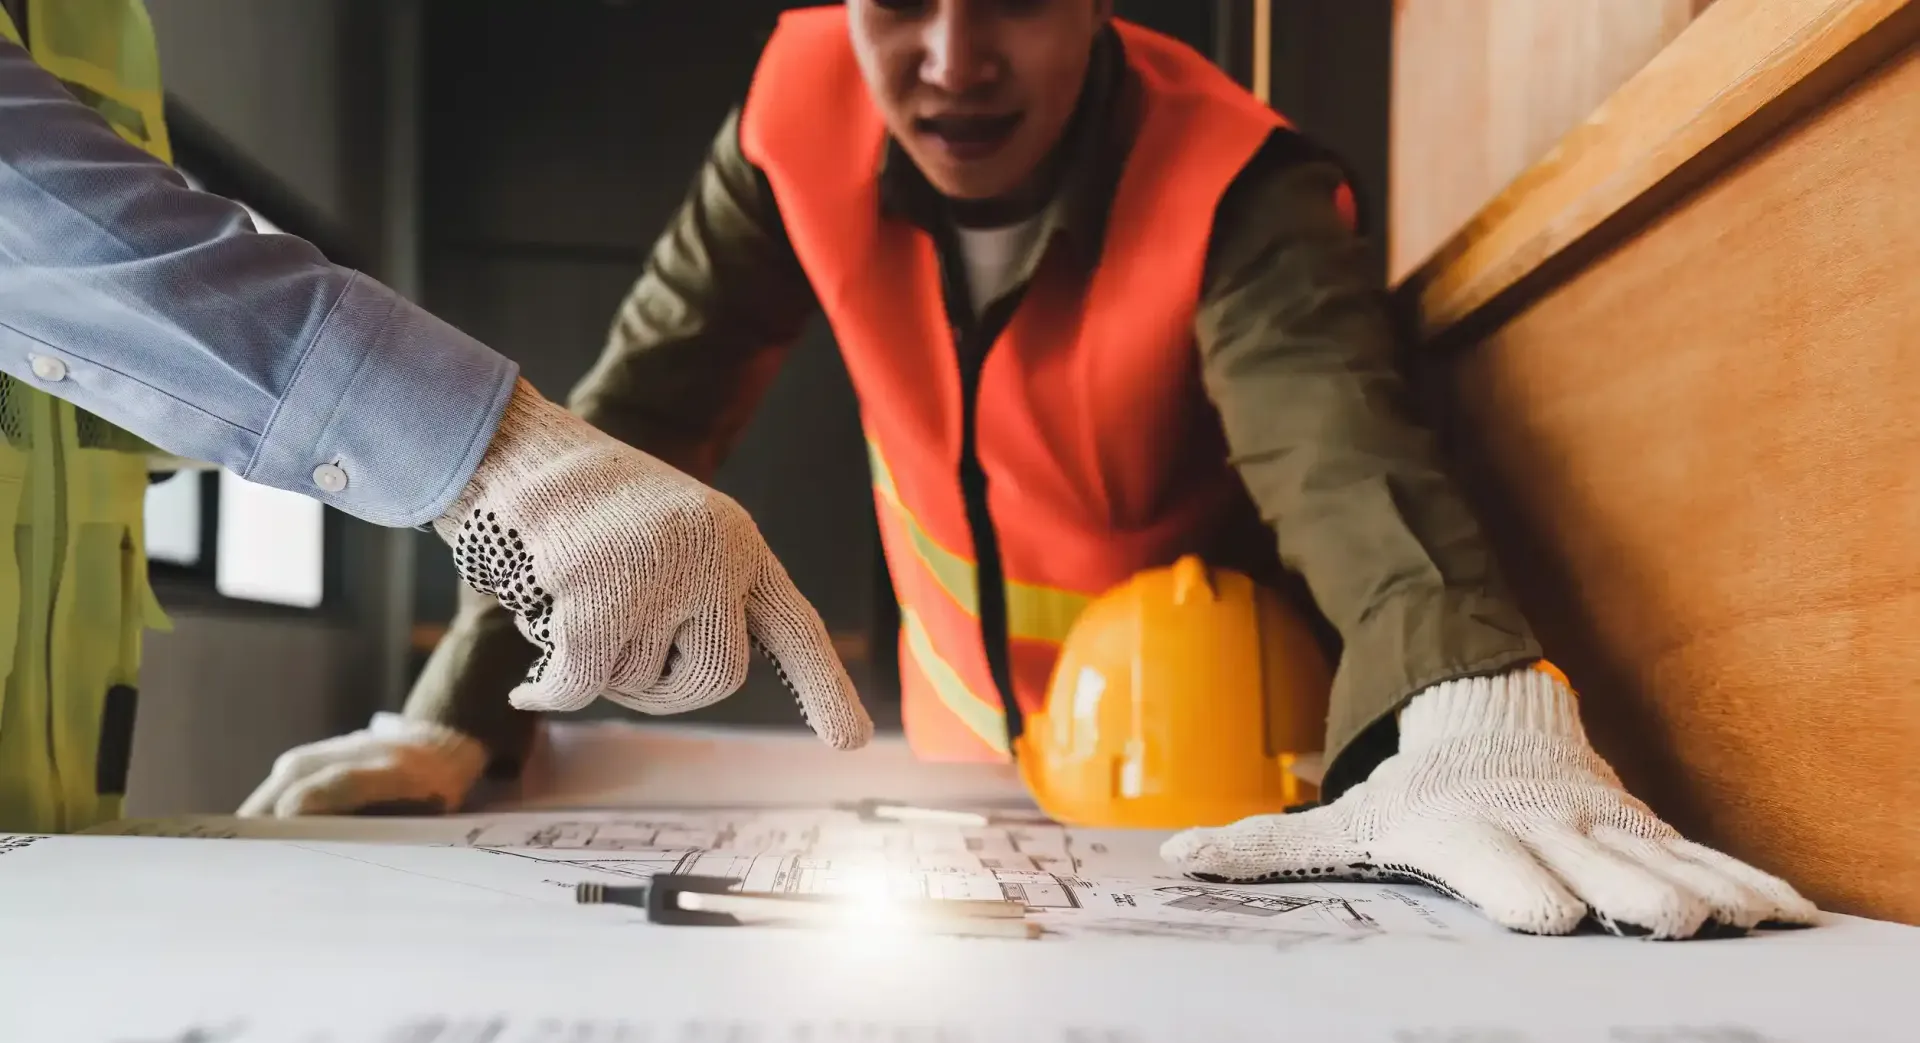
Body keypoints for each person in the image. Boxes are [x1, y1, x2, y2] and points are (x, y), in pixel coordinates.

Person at [250, 0, 1815, 940]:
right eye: (896, 5)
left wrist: (1471, 702)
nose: (950, 60)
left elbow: (1350, 457)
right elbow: (631, 425)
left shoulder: (1237, 179)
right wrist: (454, 718)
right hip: (952, 767)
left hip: (1197, 778)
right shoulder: (792, 119)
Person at [0, 0, 868, 833]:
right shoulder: (816, 103)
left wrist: (528, 475)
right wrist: (462, 700)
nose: (938, 58)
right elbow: (653, 407)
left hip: (52, 773)